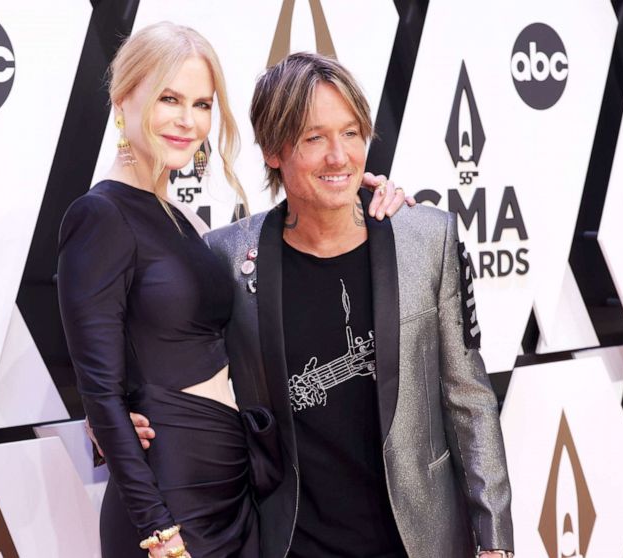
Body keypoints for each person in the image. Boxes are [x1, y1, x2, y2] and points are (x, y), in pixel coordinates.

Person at [127, 52, 514, 557]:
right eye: (314, 138)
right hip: (291, 542)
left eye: (351, 133)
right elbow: (167, 367)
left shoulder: (425, 239)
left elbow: (470, 400)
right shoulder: (224, 257)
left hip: (419, 541)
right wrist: (114, 416)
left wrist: (495, 543)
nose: (339, 156)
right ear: (273, 150)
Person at [59, 24, 410, 558]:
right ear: (122, 97)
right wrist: (159, 531)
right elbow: (101, 392)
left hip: (235, 498)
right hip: (173, 506)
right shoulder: (99, 215)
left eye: (201, 104)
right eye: (168, 99)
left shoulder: (183, 222)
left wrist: (345, 189)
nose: (187, 120)